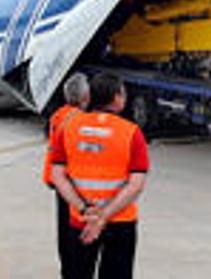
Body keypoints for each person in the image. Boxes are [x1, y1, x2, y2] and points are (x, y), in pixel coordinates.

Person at [51, 72, 149, 279]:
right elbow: (136, 185)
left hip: (81, 220)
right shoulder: (132, 133)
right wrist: (103, 216)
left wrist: (86, 210)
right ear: (117, 98)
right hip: (120, 221)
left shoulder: (67, 127)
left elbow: (58, 176)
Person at [42, 72, 90, 278]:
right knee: (77, 232)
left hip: (57, 180)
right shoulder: (79, 120)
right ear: (85, 97)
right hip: (73, 182)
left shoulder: (58, 115)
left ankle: (67, 271)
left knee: (63, 230)